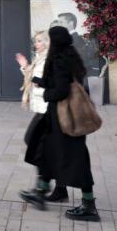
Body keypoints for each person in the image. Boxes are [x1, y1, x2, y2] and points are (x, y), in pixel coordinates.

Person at [19, 26, 100, 222]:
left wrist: (47, 93)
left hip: (64, 119)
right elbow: (62, 81)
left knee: (75, 160)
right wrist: (42, 81)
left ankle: (89, 206)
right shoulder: (70, 56)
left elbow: (62, 90)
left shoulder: (58, 60)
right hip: (60, 118)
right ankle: (42, 191)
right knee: (46, 150)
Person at [16, 31, 68, 203]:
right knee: (45, 148)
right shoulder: (41, 58)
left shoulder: (48, 59)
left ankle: (42, 188)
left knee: (34, 141)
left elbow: (39, 80)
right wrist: (26, 67)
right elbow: (34, 78)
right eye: (35, 41)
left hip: (47, 109)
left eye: (39, 41)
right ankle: (58, 189)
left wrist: (25, 66)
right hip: (43, 108)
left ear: (47, 42)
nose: (36, 44)